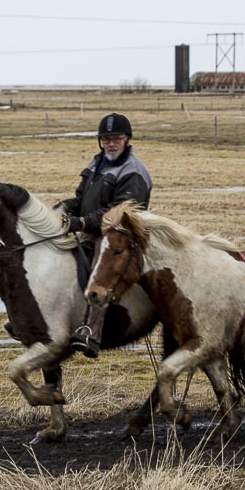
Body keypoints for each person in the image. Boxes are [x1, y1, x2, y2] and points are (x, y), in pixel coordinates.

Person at [62, 112, 152, 357]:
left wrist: (82, 222)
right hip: (91, 231)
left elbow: (119, 212)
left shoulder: (134, 172)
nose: (110, 144)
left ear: (127, 139)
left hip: (118, 236)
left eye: (116, 139)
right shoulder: (96, 163)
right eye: (106, 139)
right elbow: (81, 198)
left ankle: (92, 332)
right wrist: (64, 209)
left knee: (100, 270)